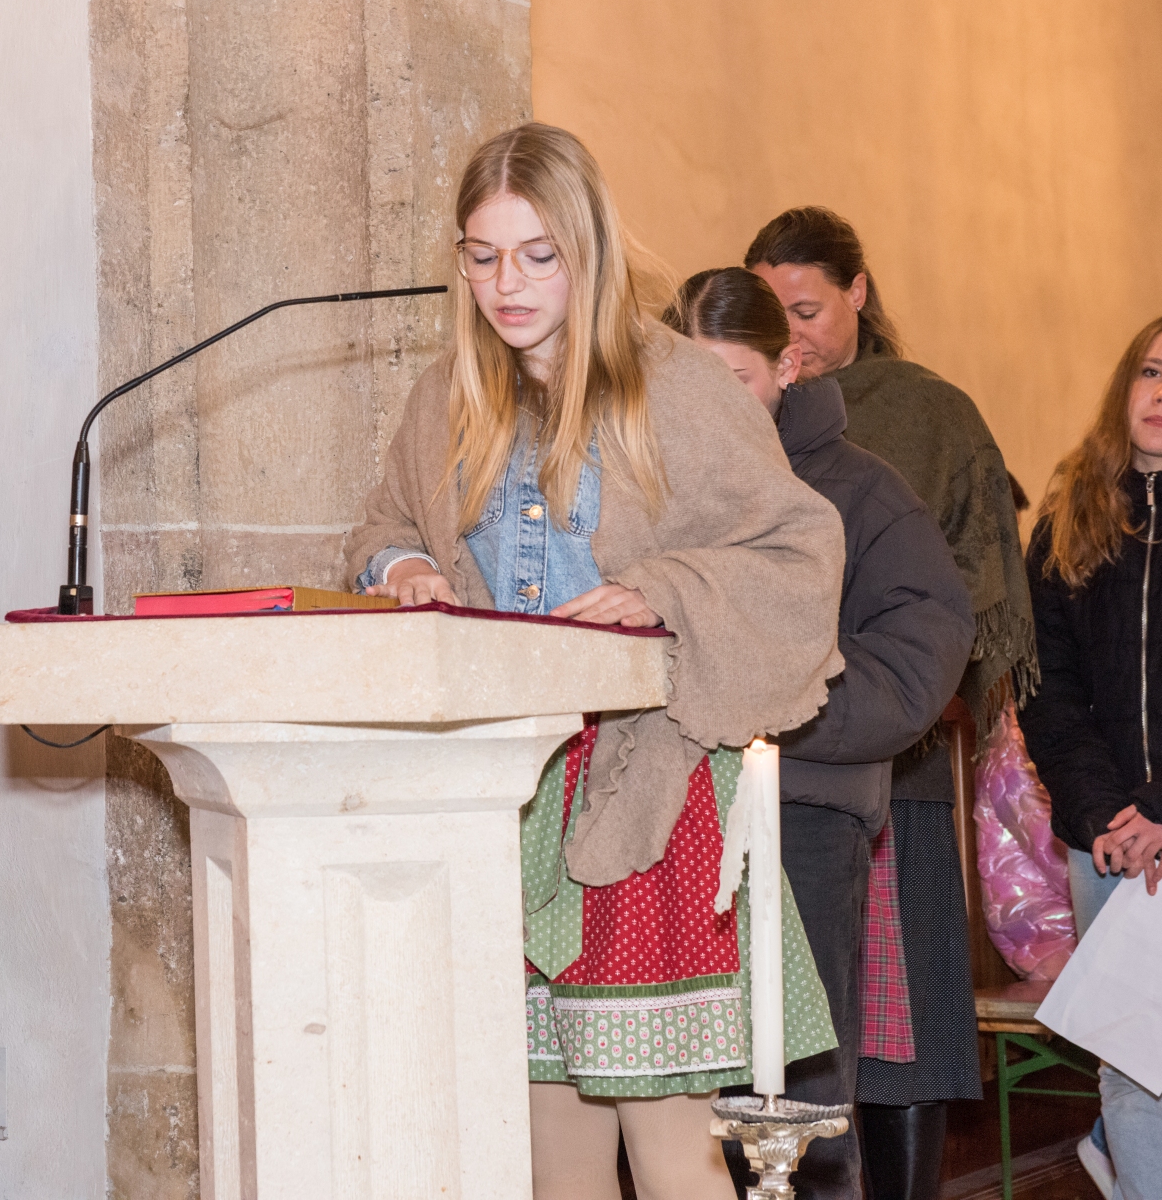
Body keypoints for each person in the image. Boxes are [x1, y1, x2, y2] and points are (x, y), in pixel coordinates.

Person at [346, 125, 847, 1200]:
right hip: (503, 795)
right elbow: (382, 524)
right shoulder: (446, 396)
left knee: (667, 1151)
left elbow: (797, 547)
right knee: (550, 1155)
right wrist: (404, 567)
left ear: (589, 250)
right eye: (483, 256)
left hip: (646, 789)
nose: (506, 284)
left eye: (538, 255)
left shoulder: (674, 386)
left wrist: (663, 588)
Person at [747, 208, 1032, 1199]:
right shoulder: (735, 420)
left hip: (894, 758)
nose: (790, 337)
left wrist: (872, 673)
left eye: (807, 309)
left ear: (858, 293)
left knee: (898, 1028)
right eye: (769, 316)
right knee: (788, 1032)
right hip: (770, 776)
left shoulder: (928, 413)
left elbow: (968, 596)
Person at [675, 267, 974, 1200]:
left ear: (787, 366)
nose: (712, 405)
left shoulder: (859, 489)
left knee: (799, 1104)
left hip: (801, 816)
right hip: (673, 822)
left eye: (735, 380)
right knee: (678, 1106)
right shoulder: (650, 480)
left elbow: (925, 646)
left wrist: (788, 711)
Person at [1021, 311, 1162, 1200]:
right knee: (1132, 1070)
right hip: (1106, 842)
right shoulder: (1067, 522)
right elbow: (1046, 688)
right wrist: (1102, 812)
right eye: (1152, 370)